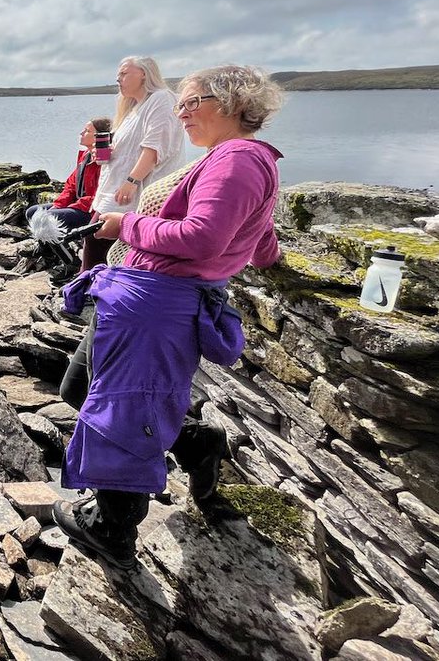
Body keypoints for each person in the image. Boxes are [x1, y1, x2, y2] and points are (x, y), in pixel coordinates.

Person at [51, 65, 284, 571]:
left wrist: (126, 225)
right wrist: (265, 254)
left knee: (123, 411)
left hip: (155, 307)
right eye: (177, 103)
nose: (180, 112)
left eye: (191, 102)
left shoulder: (238, 160)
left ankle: (113, 526)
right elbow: (258, 239)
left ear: (230, 101)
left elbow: (202, 237)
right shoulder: (237, 160)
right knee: (78, 389)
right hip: (142, 299)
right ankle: (197, 443)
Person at [82, 56, 184, 271]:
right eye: (118, 74)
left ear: (144, 74)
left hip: (136, 192)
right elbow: (129, 150)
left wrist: (131, 181)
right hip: (114, 190)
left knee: (97, 239)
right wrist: (106, 153)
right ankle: (89, 290)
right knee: (97, 241)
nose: (118, 78)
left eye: (124, 73)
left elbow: (155, 146)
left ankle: (89, 291)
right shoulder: (133, 108)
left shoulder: (161, 99)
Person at [26, 116, 111, 232]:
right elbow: (70, 186)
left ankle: (57, 247)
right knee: (32, 212)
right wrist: (58, 205)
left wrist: (71, 207)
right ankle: (52, 246)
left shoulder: (104, 163)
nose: (81, 133)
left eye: (87, 131)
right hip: (77, 205)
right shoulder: (85, 157)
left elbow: (98, 197)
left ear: (100, 137)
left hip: (90, 211)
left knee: (46, 218)